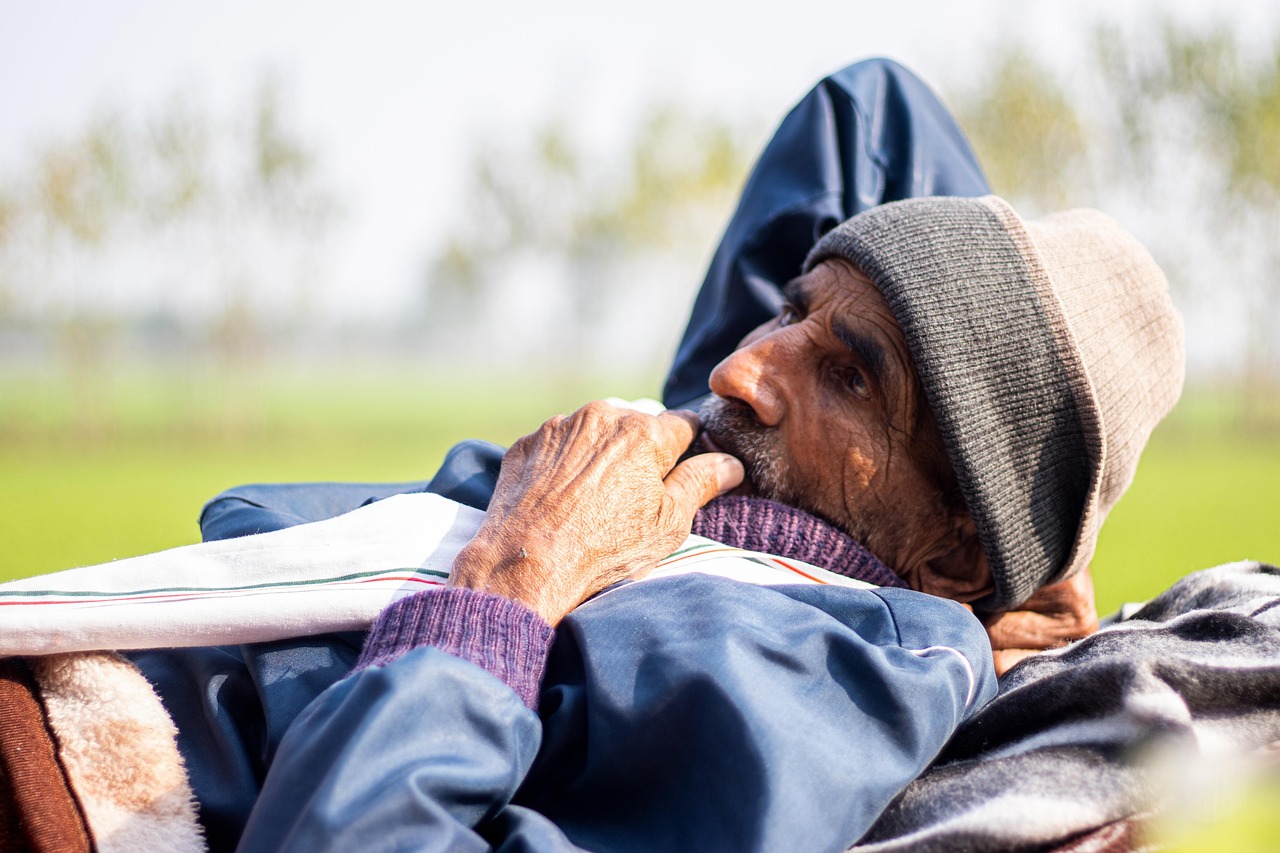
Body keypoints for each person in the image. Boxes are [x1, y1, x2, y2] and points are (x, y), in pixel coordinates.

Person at [4, 58, 1221, 853]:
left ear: (953, 553)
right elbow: (869, 109)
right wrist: (1033, 532)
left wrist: (515, 583)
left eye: (849, 373)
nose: (742, 371)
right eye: (788, 310)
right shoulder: (713, 455)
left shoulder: (835, 668)